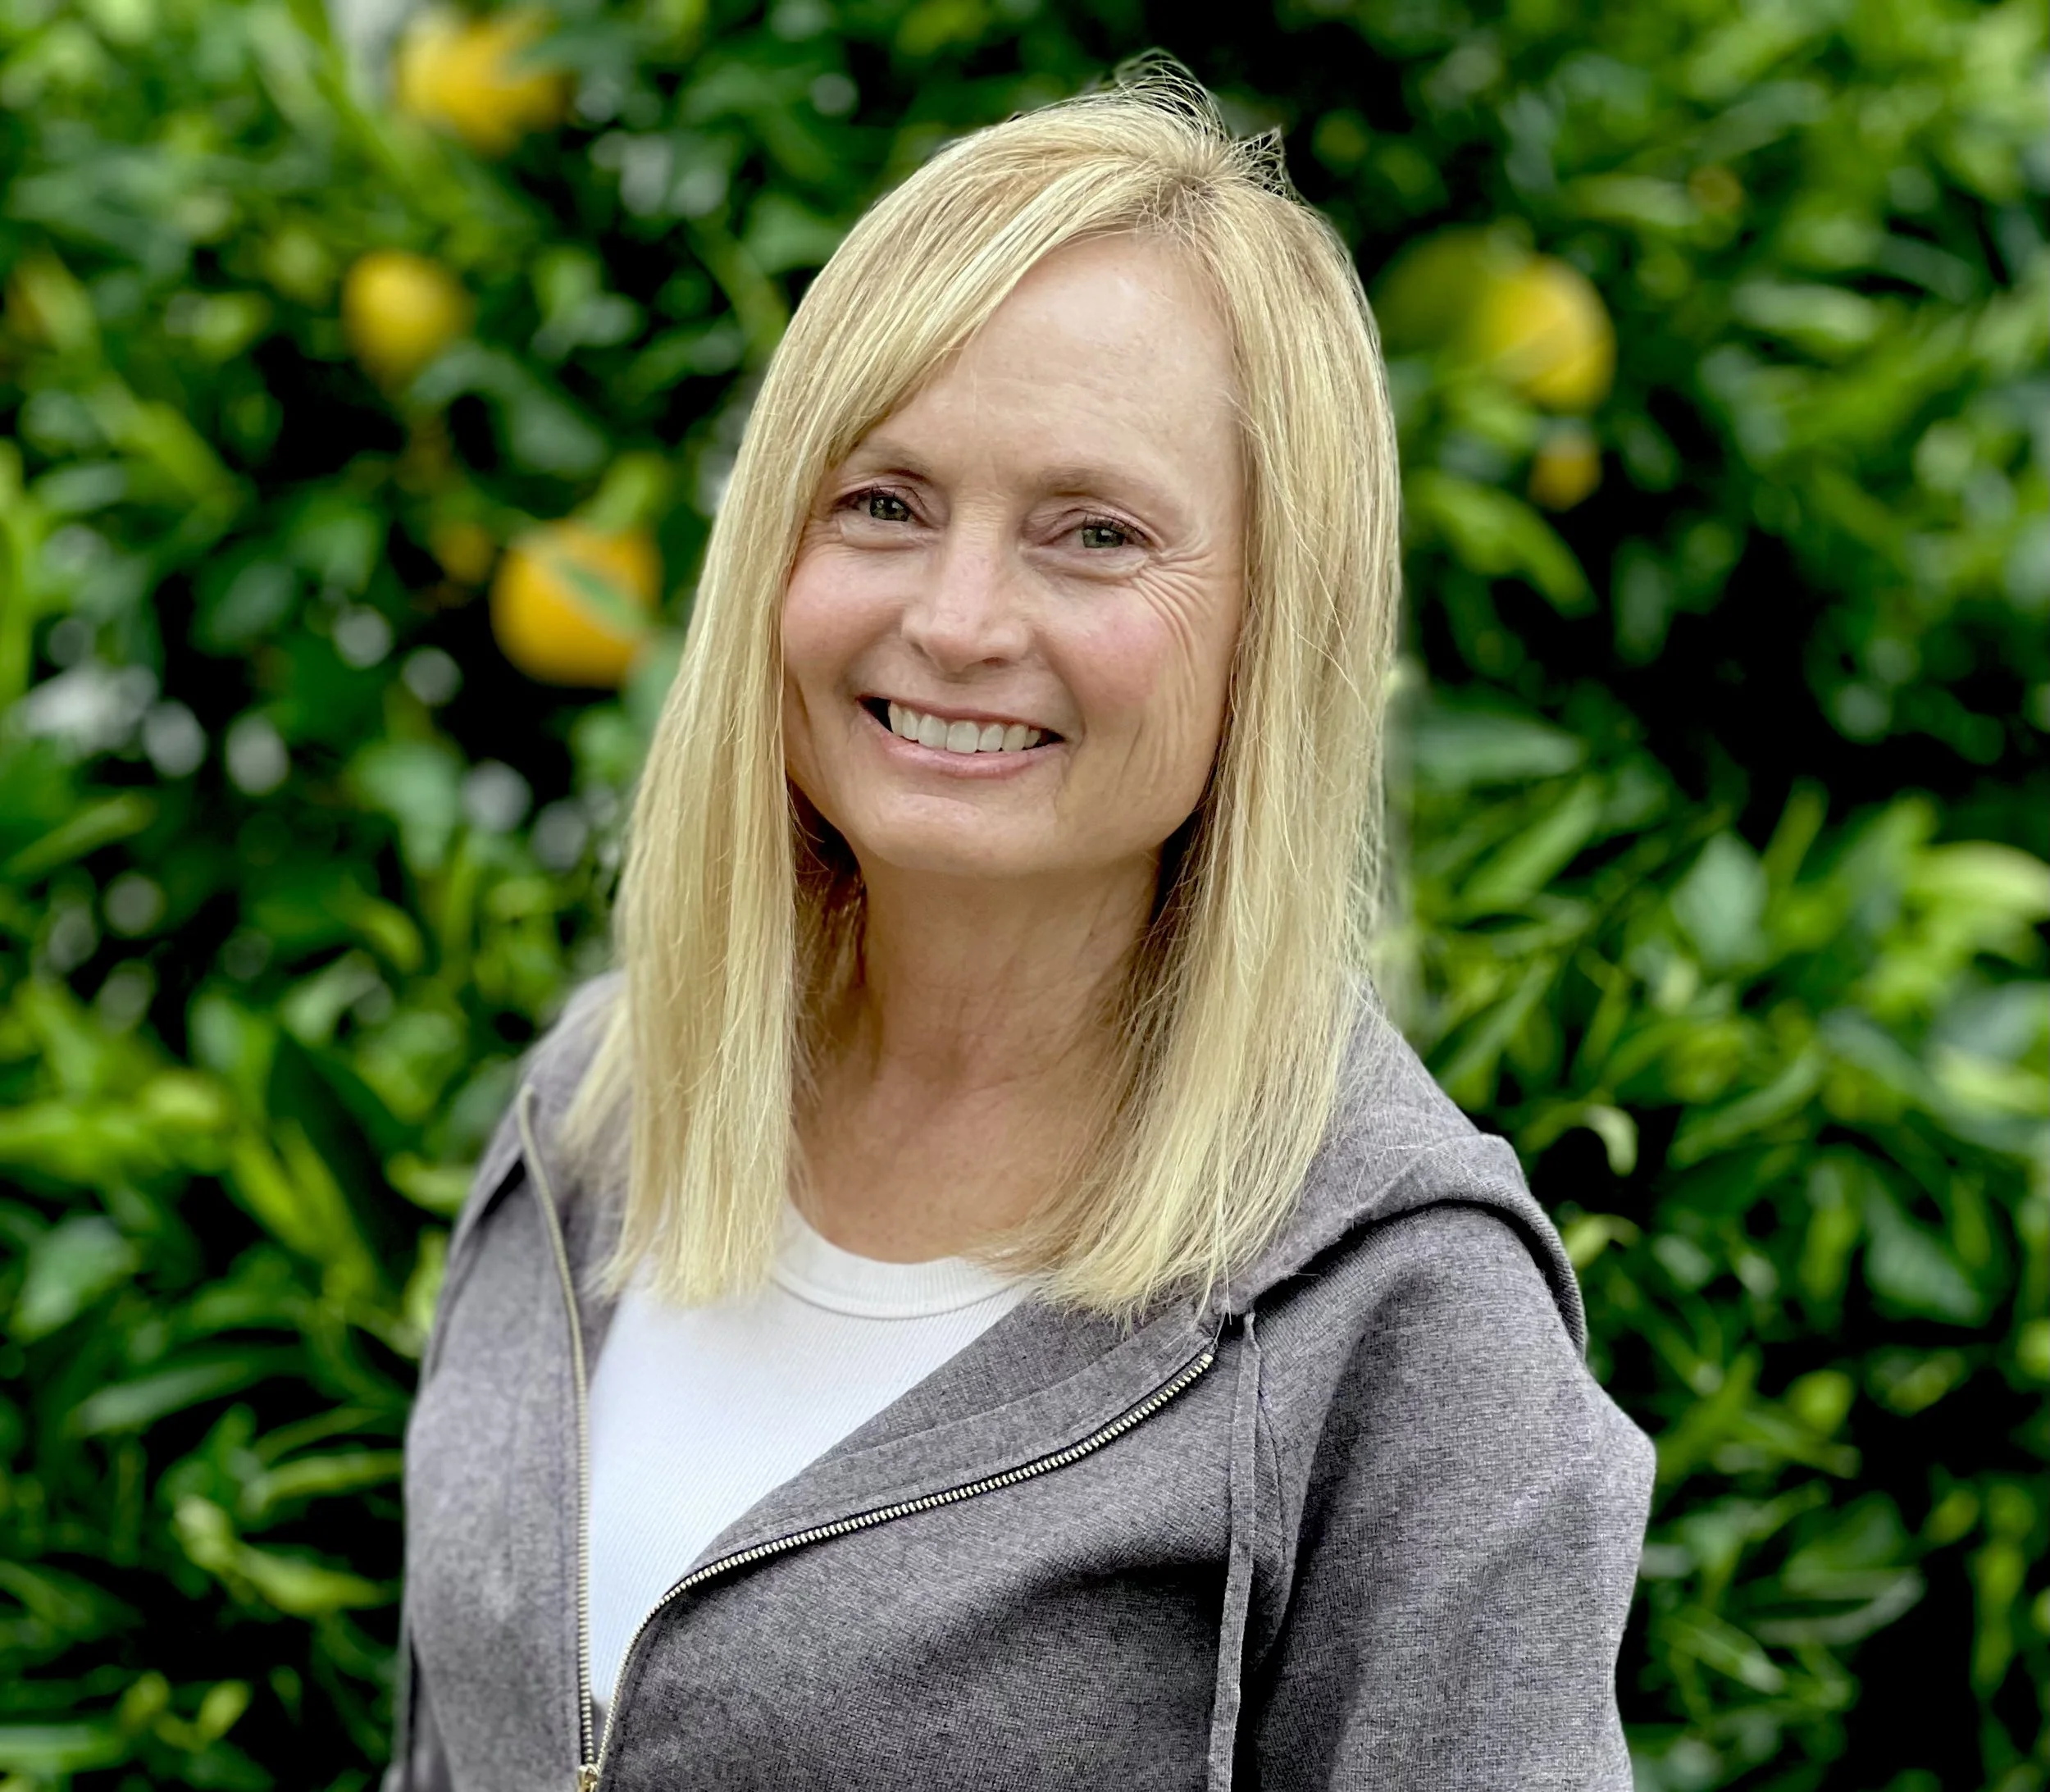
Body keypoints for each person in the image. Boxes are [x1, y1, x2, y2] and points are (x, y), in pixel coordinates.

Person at [385, 66, 1653, 1792]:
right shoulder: (596, 1112)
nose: (957, 617)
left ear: (1276, 630)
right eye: (883, 503)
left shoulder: (1408, 1327)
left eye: (1094, 534)